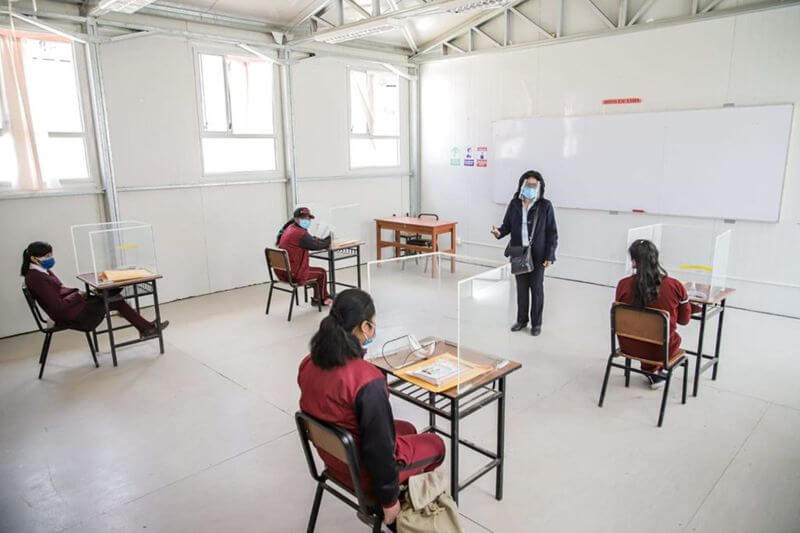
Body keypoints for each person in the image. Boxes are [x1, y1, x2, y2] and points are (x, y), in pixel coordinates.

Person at [298, 289, 446, 526]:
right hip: (363, 474)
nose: (374, 330)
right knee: (436, 444)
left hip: (334, 459)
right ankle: (400, 505)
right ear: (364, 327)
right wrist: (388, 500)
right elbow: (378, 449)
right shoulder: (367, 380)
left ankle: (401, 486)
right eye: (373, 325)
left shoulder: (308, 363)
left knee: (406, 427)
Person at [21, 241, 167, 337]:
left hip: (71, 309)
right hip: (72, 316)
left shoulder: (40, 271)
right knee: (115, 300)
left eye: (51, 255)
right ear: (34, 258)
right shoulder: (36, 278)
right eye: (47, 256)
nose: (50, 258)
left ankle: (146, 328)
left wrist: (81, 294)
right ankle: (147, 328)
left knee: (110, 296)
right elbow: (57, 306)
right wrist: (78, 295)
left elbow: (60, 290)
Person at [615, 239, 693, 389]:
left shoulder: (623, 285)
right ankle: (654, 370)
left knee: (645, 332)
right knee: (671, 338)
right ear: (655, 258)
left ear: (633, 261)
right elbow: (684, 320)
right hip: (661, 351)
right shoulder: (675, 285)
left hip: (628, 346)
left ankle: (650, 370)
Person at [491, 170, 558, 336]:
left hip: (539, 253)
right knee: (521, 288)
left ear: (539, 187)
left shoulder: (545, 206)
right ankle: (521, 320)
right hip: (517, 251)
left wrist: (550, 255)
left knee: (536, 288)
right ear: (522, 185)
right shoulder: (514, 204)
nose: (531, 188)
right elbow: (506, 226)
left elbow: (552, 233)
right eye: (528, 184)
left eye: (534, 185)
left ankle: (536, 323)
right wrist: (498, 232)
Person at [276, 207, 332, 306]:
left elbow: (310, 241)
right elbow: (315, 245)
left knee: (316, 271)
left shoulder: (290, 228)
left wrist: (317, 240)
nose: (307, 220)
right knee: (321, 272)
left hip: (284, 272)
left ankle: (318, 297)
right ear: (296, 219)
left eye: (308, 218)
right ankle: (321, 299)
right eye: (304, 218)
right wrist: (328, 240)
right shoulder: (299, 233)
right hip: (294, 274)